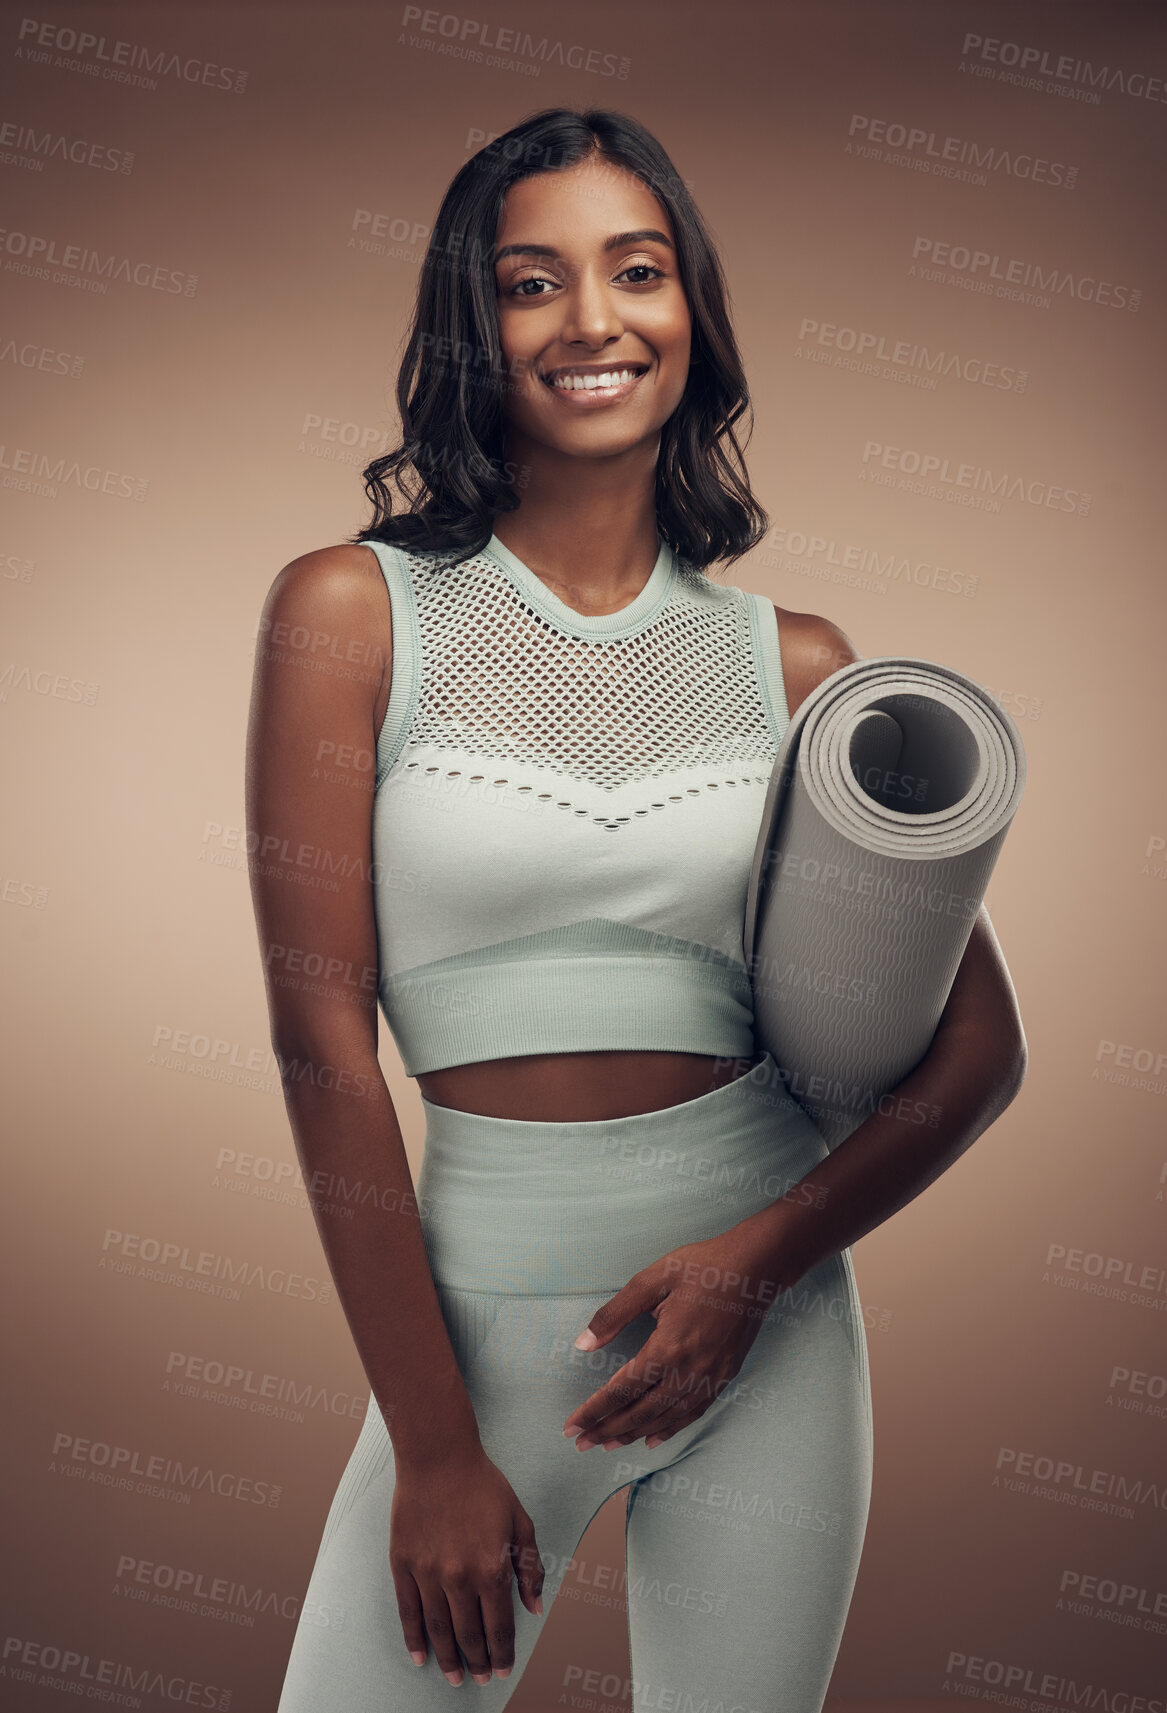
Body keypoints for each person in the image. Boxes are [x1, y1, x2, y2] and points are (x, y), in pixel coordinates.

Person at [246, 107, 1027, 1712]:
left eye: (639, 271)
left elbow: (980, 1053)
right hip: (477, 1349)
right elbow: (321, 1032)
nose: (594, 321)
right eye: (534, 281)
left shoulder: (796, 662)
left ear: (693, 316)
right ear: (474, 326)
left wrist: (754, 1271)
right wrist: (436, 1442)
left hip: (776, 1330)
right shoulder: (351, 609)